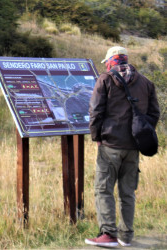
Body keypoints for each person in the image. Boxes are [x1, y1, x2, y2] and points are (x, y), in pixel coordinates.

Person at [85, 46, 160, 248]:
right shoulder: (146, 82)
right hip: (133, 147)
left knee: (104, 190)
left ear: (111, 60)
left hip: (110, 145)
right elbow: (154, 114)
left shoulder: (106, 79)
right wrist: (141, 134)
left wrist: (96, 136)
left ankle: (108, 234)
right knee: (128, 192)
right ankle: (125, 237)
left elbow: (95, 112)